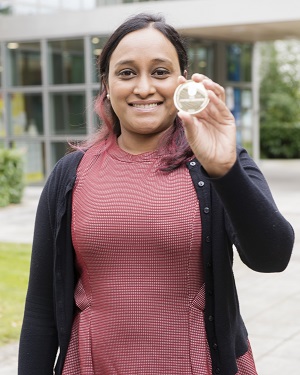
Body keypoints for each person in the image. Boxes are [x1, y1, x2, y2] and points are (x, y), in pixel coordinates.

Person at [18, 13, 294, 375]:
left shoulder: (221, 163)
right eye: (127, 72)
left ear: (183, 83)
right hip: (92, 365)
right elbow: (40, 308)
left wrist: (225, 171)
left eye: (160, 72)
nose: (144, 87)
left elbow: (272, 257)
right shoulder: (69, 174)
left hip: (196, 364)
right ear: (107, 84)